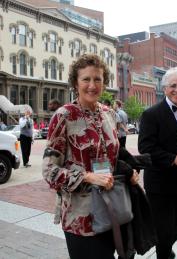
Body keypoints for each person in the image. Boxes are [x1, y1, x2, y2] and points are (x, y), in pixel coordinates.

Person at [42, 54, 139, 259]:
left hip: (112, 211)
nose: (92, 85)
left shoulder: (108, 114)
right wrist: (87, 176)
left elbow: (113, 156)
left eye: (98, 79)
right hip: (81, 218)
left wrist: (130, 172)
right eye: (86, 79)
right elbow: (49, 171)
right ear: (75, 83)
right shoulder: (64, 116)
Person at [138, 67, 177, 259]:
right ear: (164, 88)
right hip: (160, 183)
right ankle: (165, 252)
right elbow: (145, 147)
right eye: (173, 85)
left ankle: (164, 247)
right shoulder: (151, 114)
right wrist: (173, 159)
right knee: (163, 228)